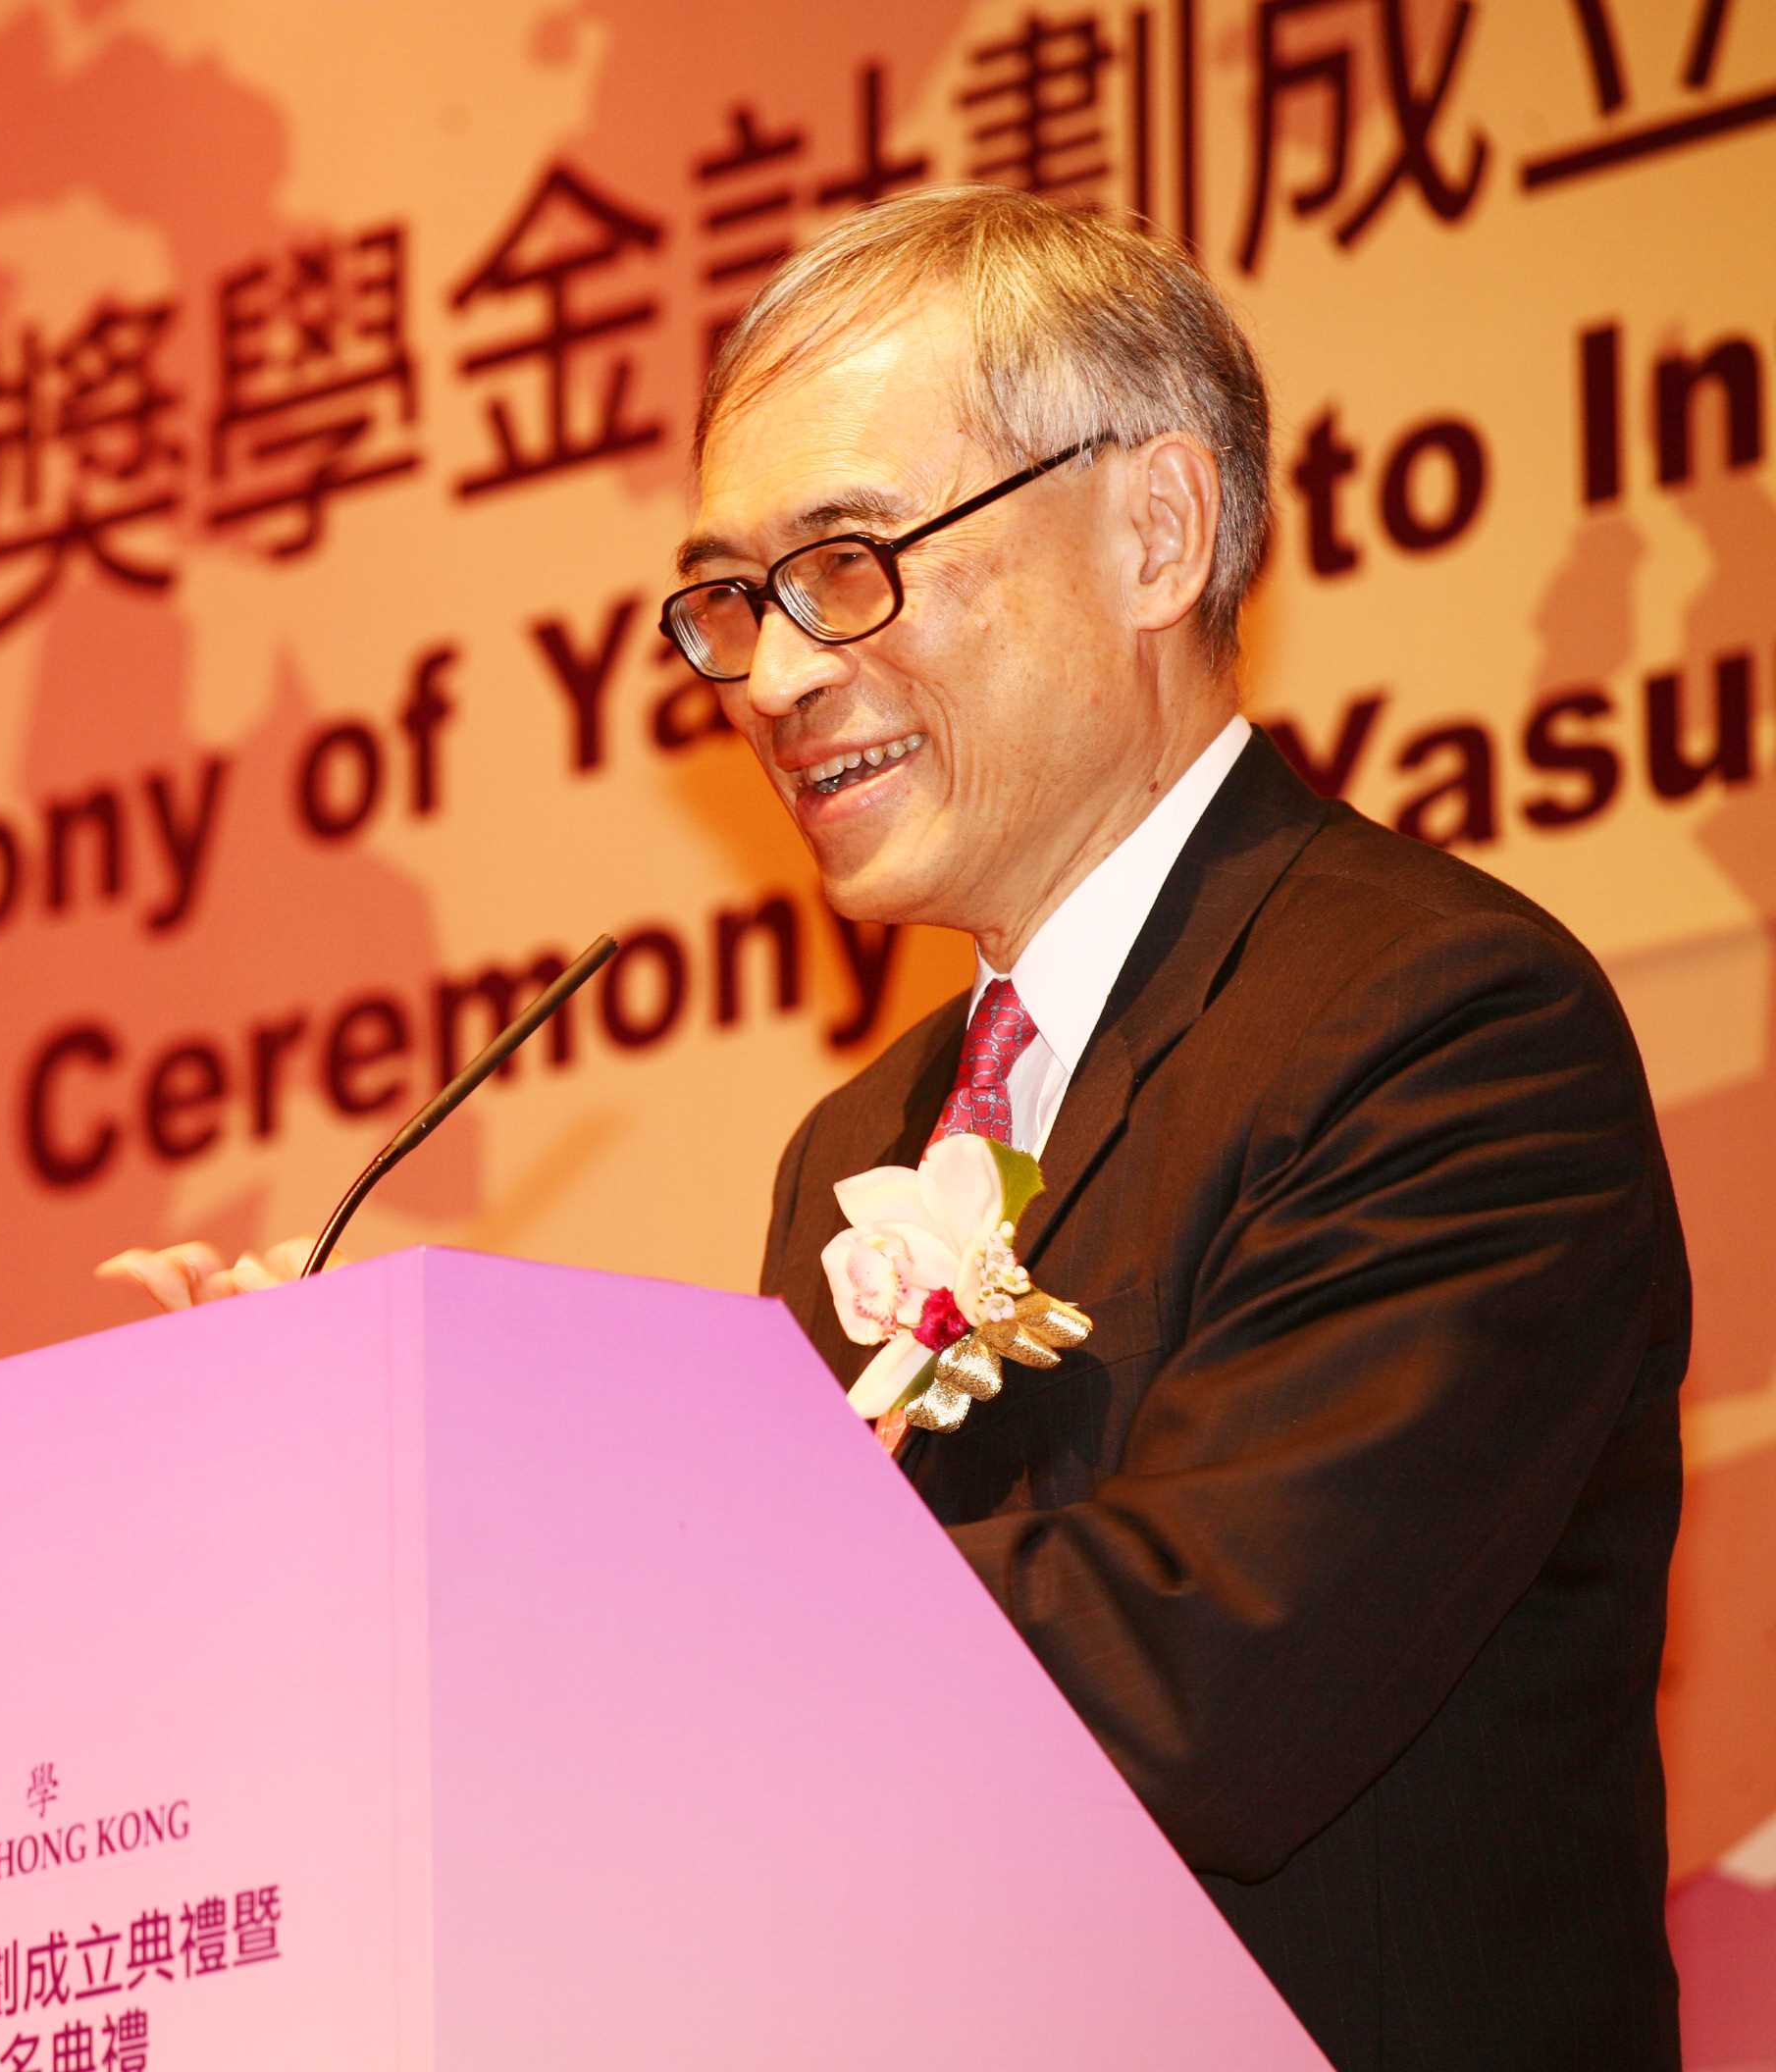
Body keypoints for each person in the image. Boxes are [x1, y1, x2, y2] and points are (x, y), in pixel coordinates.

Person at [104, 187, 1688, 2070]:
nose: (773, 679)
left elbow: (1202, 1686)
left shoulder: (1433, 1026)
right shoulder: (860, 1138)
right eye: (729, 601)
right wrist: (398, 1472)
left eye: (848, 566)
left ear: (1156, 533)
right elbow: (782, 1764)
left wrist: (535, 1518)